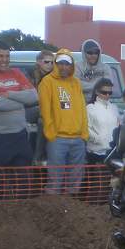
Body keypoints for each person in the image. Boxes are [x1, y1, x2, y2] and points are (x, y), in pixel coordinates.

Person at [0, 40, 38, 199]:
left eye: (7, 56)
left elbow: (33, 97)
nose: (4, 60)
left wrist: (10, 94)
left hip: (19, 135)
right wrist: (20, 101)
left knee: (24, 183)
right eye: (0, 56)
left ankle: (21, 218)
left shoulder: (17, 73)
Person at [38, 49, 89, 195]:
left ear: (72, 65)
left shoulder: (76, 83)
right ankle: (53, 212)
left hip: (78, 139)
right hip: (58, 139)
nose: (64, 67)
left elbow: (82, 110)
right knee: (55, 181)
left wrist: (84, 135)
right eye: (60, 63)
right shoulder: (47, 82)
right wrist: (51, 134)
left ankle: (71, 211)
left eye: (67, 63)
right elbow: (45, 112)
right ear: (56, 64)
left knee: (75, 182)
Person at [86, 78, 120, 164]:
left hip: (113, 151)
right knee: (97, 177)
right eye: (104, 92)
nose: (107, 95)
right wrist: (99, 140)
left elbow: (118, 126)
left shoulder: (114, 107)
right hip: (96, 152)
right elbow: (86, 128)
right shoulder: (90, 108)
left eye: (110, 93)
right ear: (97, 92)